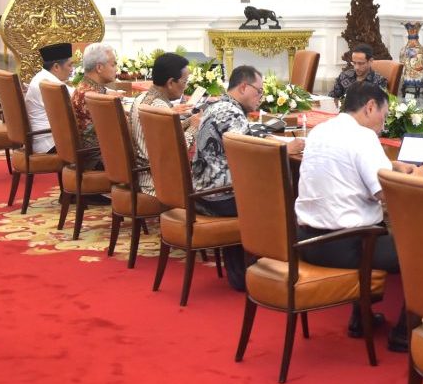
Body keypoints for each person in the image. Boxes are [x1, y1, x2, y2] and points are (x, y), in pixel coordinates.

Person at [295, 81, 423, 352]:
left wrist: (392, 165)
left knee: (369, 221)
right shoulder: (363, 137)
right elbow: (388, 196)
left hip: (307, 241)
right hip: (346, 245)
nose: (384, 121)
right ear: (370, 107)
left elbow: (349, 166)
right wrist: (418, 176)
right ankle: (405, 332)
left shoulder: (321, 130)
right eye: (384, 113)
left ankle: (361, 317)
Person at [191, 65, 304, 291]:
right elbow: (246, 154)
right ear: (243, 87)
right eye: (258, 91)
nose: (260, 97)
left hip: (207, 188)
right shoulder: (230, 112)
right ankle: (272, 272)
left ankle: (244, 270)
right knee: (284, 195)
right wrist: (285, 150)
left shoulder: (219, 105)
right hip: (219, 193)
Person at [130, 52, 202, 196]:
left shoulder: (141, 98)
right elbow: (175, 151)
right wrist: (194, 127)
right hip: (157, 182)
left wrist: (189, 120)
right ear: (170, 83)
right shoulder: (159, 107)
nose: (185, 87)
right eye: (184, 82)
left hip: (142, 174)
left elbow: (163, 133)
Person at [71, 43, 118, 170]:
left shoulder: (85, 87)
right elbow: (118, 131)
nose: (116, 69)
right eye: (113, 64)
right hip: (96, 160)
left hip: (89, 154)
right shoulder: (93, 97)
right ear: (99, 67)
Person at [25, 42, 74, 154]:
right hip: (51, 143)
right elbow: (80, 97)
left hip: (45, 139)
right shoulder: (49, 84)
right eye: (70, 65)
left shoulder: (42, 77)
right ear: (56, 67)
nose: (72, 70)